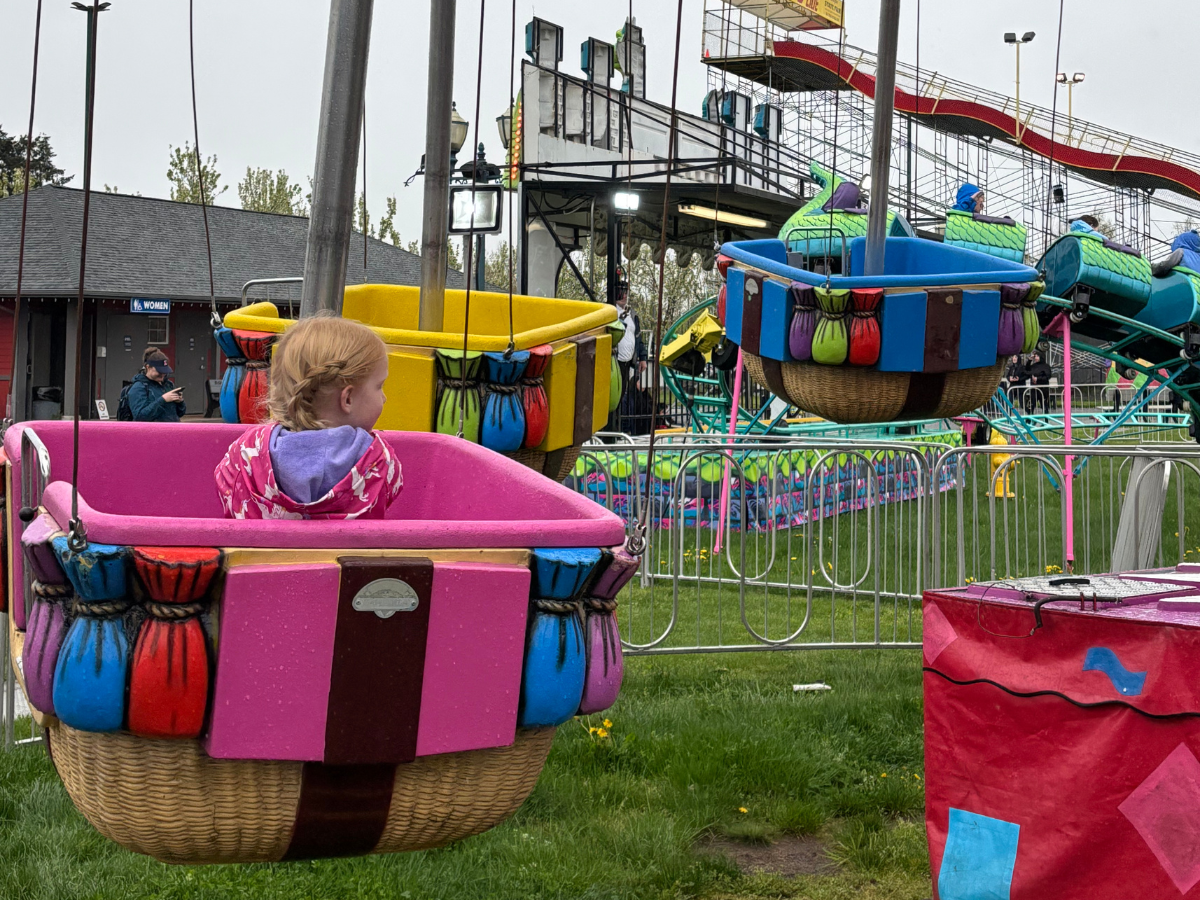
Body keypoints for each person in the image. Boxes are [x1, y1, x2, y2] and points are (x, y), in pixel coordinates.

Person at [214, 315, 403, 520]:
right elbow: (390, 493)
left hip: (256, 552)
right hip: (348, 553)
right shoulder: (379, 458)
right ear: (347, 398)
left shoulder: (247, 451)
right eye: (379, 386)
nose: (384, 398)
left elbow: (227, 487)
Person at [613, 269, 647, 402]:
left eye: (626, 293)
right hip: (616, 360)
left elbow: (638, 337)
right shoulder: (610, 311)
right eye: (622, 293)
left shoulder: (632, 314)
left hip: (628, 362)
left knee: (622, 393)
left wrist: (642, 357)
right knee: (615, 393)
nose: (625, 296)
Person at [127, 348, 186, 422]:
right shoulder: (138, 387)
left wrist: (180, 402)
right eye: (159, 371)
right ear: (148, 367)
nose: (163, 375)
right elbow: (140, 417)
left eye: (165, 371)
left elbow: (180, 413)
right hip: (152, 431)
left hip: (172, 430)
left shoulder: (168, 384)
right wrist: (163, 400)